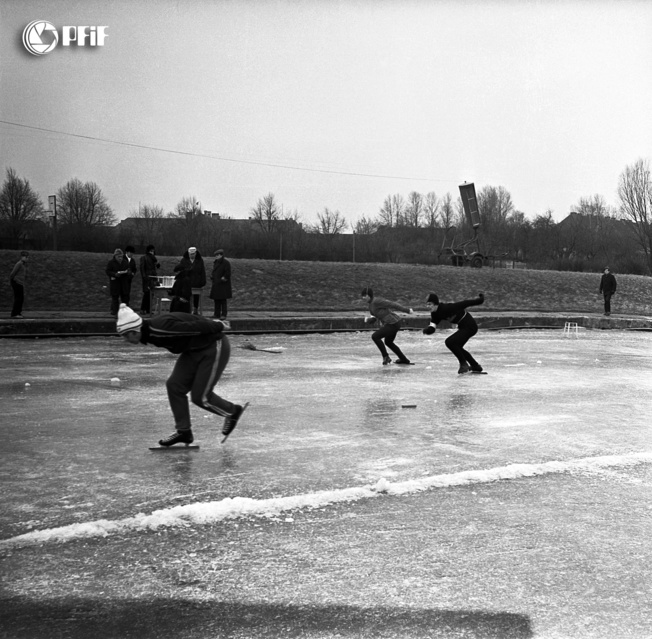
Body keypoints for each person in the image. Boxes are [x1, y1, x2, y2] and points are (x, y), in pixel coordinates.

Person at [116, 303, 247, 446]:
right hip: (193, 350)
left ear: (134, 331)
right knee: (174, 386)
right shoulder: (150, 333)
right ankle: (183, 431)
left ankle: (232, 412)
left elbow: (195, 326)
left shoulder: (161, 328)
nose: (125, 340)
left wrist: (219, 326)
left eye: (126, 336)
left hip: (213, 345)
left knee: (200, 397)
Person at [423, 292, 485, 374]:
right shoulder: (435, 314)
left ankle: (463, 364)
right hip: (463, 327)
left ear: (435, 304)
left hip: (470, 326)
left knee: (450, 342)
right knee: (457, 347)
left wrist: (480, 300)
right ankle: (475, 366)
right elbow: (433, 325)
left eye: (430, 304)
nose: (428, 307)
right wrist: (429, 330)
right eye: (427, 304)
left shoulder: (448, 308)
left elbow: (465, 303)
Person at [361, 287, 413, 365]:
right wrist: (369, 320)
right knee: (388, 342)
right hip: (392, 323)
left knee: (375, 336)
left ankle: (386, 357)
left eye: (365, 295)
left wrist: (407, 310)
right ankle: (404, 359)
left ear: (369, 295)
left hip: (393, 323)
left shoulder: (377, 301)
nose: (363, 298)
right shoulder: (370, 306)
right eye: (362, 296)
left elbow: (392, 304)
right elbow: (374, 318)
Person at [174, 247, 206, 315]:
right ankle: (187, 309)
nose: (192, 255)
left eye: (193, 254)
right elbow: (180, 271)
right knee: (186, 295)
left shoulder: (200, 260)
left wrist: (203, 281)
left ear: (196, 253)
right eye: (191, 254)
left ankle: (195, 309)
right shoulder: (184, 260)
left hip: (196, 281)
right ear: (188, 253)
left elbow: (202, 271)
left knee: (196, 296)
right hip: (187, 282)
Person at [106, 249, 131, 316]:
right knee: (115, 299)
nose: (120, 258)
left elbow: (129, 270)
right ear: (115, 256)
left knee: (125, 299)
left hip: (123, 283)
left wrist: (128, 272)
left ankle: (126, 314)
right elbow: (108, 271)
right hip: (115, 283)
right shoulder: (111, 263)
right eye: (118, 256)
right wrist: (114, 274)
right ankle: (115, 313)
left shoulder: (125, 262)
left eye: (121, 256)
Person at [209, 249, 232, 319]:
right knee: (216, 300)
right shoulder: (216, 263)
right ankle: (217, 314)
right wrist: (213, 277)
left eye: (217, 255)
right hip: (216, 283)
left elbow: (228, 273)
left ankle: (224, 314)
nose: (216, 256)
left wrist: (224, 278)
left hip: (223, 284)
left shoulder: (226, 263)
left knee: (223, 300)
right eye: (215, 255)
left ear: (221, 255)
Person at [139, 244, 160, 315]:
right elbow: (142, 268)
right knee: (146, 293)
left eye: (153, 251)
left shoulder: (154, 259)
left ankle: (148, 309)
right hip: (147, 277)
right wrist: (144, 277)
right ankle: (143, 309)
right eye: (151, 251)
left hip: (153, 277)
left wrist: (157, 265)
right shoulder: (144, 258)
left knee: (151, 294)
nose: (152, 252)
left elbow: (155, 267)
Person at [9, 251, 29, 319]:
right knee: (18, 298)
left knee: (21, 299)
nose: (27, 258)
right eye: (26, 257)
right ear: (22, 257)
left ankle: (18, 312)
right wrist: (13, 281)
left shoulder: (23, 265)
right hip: (16, 282)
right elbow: (12, 273)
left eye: (27, 257)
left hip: (20, 283)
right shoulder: (19, 264)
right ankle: (14, 313)